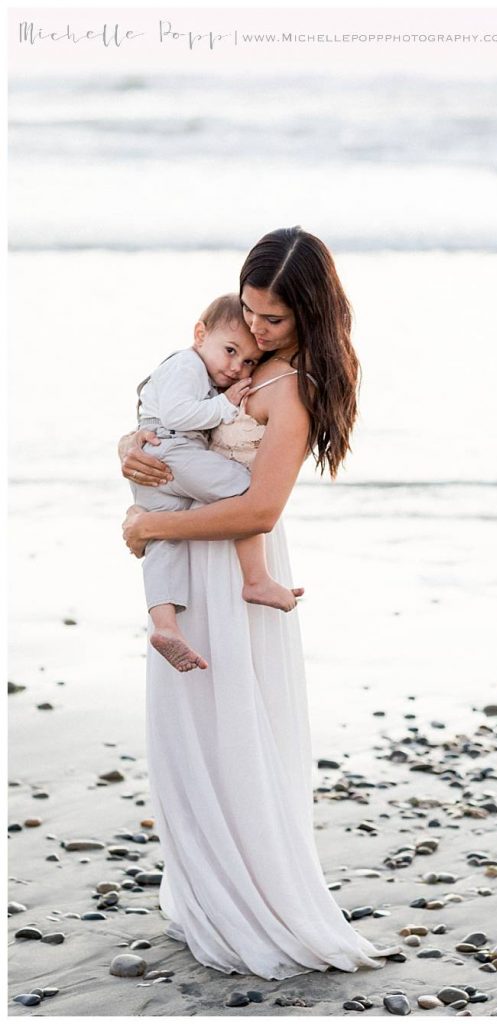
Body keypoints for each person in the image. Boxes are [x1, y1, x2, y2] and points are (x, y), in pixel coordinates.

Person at [119, 227, 402, 980]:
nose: (255, 330)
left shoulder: (295, 387)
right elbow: (171, 418)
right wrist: (130, 444)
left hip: (228, 565)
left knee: (234, 735)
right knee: (189, 740)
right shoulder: (243, 361)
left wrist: (150, 523)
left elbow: (257, 510)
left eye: (272, 319)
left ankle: (254, 902)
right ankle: (206, 892)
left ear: (311, 311)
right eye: (248, 311)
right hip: (193, 551)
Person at [131, 293, 303, 674]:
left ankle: (165, 625)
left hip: (165, 461)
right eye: (230, 351)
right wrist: (225, 404)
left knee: (164, 545)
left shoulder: (202, 367)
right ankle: (255, 579)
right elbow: (177, 414)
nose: (236, 368)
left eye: (247, 362)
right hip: (174, 451)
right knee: (243, 486)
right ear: (198, 334)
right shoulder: (188, 364)